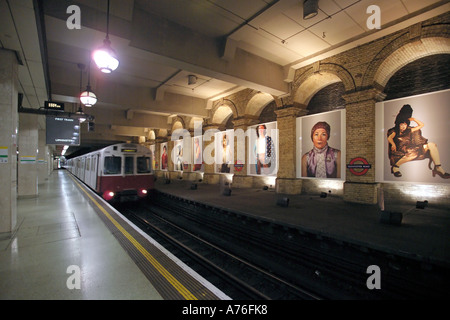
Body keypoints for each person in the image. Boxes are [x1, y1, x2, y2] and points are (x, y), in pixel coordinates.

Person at [387, 104, 449, 179]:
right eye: (401, 124)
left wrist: (414, 119)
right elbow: (390, 138)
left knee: (432, 145)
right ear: (398, 124)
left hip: (412, 149)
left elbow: (421, 125)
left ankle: (438, 168)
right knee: (414, 153)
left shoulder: (409, 130)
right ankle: (395, 167)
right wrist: (393, 144)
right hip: (403, 150)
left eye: (405, 124)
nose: (404, 126)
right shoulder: (395, 131)